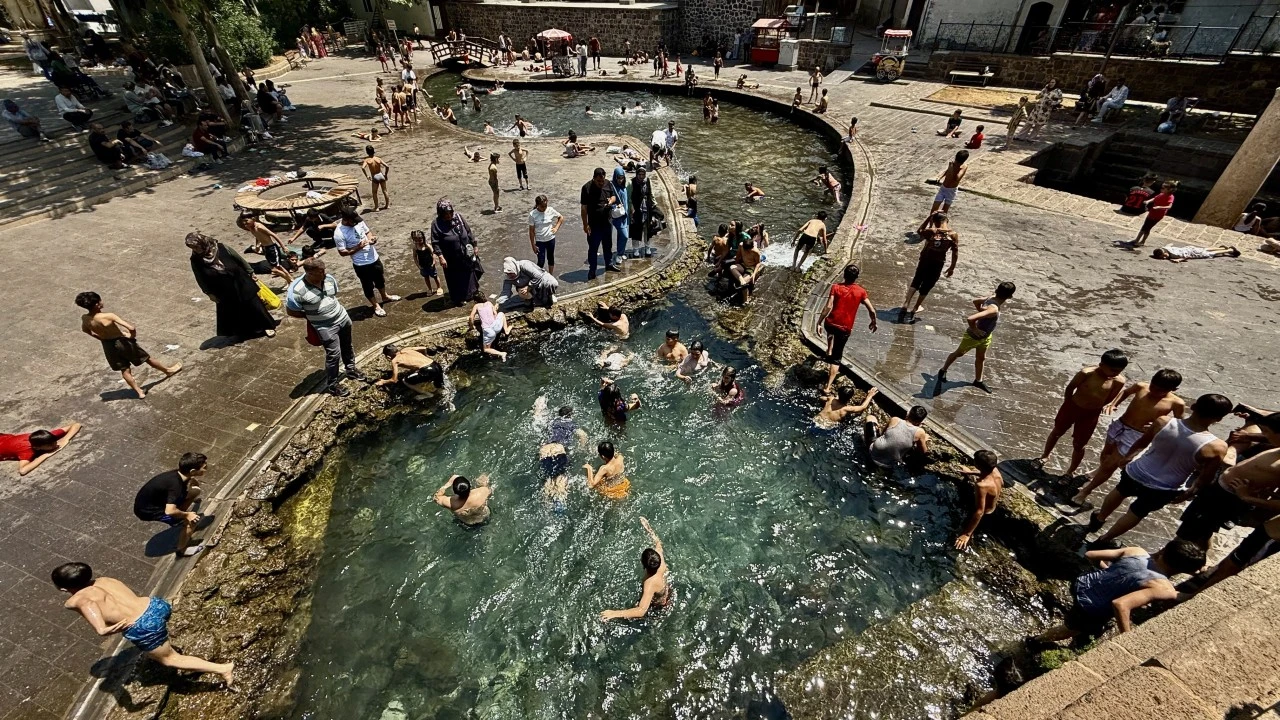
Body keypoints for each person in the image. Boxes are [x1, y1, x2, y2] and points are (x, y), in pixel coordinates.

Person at [1087, 393, 1234, 546]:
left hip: (1138, 471)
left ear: (1194, 406)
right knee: (1137, 512)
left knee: (1120, 491)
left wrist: (1128, 457)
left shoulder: (1163, 421)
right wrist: (1189, 492)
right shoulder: (1217, 447)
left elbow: (1141, 443)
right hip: (1165, 487)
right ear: (1219, 419)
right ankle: (1105, 539)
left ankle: (1100, 518)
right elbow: (1205, 478)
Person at [52, 563, 235, 686]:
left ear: (63, 588)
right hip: (156, 605)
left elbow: (88, 604)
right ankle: (159, 645)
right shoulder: (105, 580)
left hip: (143, 625)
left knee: (169, 659)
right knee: (156, 646)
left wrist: (102, 629)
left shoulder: (75, 600)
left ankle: (223, 669)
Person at [1030, 540, 1204, 641]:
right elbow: (1120, 605)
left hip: (1082, 583)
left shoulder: (1137, 551)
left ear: (1165, 550)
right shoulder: (1163, 587)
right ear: (1184, 570)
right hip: (1091, 608)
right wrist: (1127, 638)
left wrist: (1107, 570)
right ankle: (1037, 640)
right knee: (1072, 629)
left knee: (1084, 620)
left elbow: (1091, 555)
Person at [1071, 369, 1186, 507]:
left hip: (1136, 435)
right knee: (1106, 455)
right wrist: (1114, 404)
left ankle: (1085, 491)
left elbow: (1179, 424)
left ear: (1173, 389)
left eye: (1159, 390)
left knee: (1110, 465)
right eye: (1153, 386)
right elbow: (1125, 392)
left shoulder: (1176, 403)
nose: (1154, 391)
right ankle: (1098, 471)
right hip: (1120, 425)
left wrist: (1160, 424)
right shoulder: (1141, 386)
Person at [1175, 413, 1280, 553]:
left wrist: (1247, 497)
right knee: (1203, 528)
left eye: (1266, 431)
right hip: (1220, 487)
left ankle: (1167, 554)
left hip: (1228, 498)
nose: (1264, 436)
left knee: (1191, 529)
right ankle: (1201, 553)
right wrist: (1249, 436)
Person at [1038, 350, 1129, 479]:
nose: (1115, 374)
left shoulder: (1118, 381)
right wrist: (1068, 403)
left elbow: (1109, 398)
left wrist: (1096, 407)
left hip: (1091, 414)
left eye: (1119, 371)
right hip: (1072, 407)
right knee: (1057, 431)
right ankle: (1045, 455)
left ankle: (1071, 471)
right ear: (1101, 365)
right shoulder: (1086, 373)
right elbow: (1070, 388)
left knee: (1080, 444)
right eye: (1113, 370)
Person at [76, 292, 182, 399]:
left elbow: (86, 330)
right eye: (100, 300)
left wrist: (101, 338)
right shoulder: (109, 316)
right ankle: (168, 371)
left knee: (125, 369)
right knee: (147, 358)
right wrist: (131, 336)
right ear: (97, 304)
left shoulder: (85, 318)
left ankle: (139, 392)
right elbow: (131, 328)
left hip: (108, 345)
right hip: (122, 342)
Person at [286, 258, 364, 397]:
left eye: (324, 270)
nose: (324, 274)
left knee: (347, 345)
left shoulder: (329, 278)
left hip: (342, 318)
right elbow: (291, 311)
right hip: (325, 326)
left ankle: (351, 369)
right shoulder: (297, 290)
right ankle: (333, 385)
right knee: (333, 354)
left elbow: (332, 296)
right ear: (309, 273)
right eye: (320, 272)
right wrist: (312, 316)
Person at [186, 232, 278, 339]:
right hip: (222, 289)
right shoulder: (195, 260)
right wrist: (209, 293)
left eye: (196, 247)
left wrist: (251, 272)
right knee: (235, 310)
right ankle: (246, 330)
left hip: (241, 281)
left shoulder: (221, 247)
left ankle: (267, 326)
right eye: (192, 248)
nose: (195, 250)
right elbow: (199, 277)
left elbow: (239, 259)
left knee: (255, 304)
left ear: (202, 242)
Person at [934, 281, 1016, 396]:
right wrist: (975, 329)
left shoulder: (991, 298)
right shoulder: (993, 309)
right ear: (1010, 296)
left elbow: (975, 301)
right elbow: (970, 319)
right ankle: (943, 370)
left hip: (986, 337)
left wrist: (981, 311)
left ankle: (978, 381)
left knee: (981, 358)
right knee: (958, 353)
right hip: (972, 337)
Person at [133, 452, 209, 557]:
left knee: (195, 491)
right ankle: (182, 550)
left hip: (155, 501)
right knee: (193, 521)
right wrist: (187, 515)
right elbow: (169, 511)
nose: (206, 469)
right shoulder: (176, 486)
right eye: (204, 467)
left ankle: (178, 517)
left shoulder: (179, 474)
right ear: (192, 471)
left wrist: (193, 480)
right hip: (149, 511)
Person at [817, 263, 877, 395]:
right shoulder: (861, 292)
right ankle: (828, 387)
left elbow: (828, 306)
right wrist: (873, 322)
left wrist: (819, 322)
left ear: (844, 275)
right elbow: (872, 310)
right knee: (836, 358)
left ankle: (829, 348)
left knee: (831, 330)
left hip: (830, 323)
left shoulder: (836, 287)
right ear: (856, 277)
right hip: (844, 328)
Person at [600, 517, 671, 620]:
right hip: (666, 591)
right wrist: (648, 528)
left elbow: (641, 611)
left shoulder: (650, 583)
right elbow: (658, 543)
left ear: (644, 565)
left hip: (658, 605)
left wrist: (614, 613)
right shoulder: (660, 558)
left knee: (633, 615)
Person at [333, 210, 399, 317]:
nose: (356, 223)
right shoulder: (339, 233)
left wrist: (371, 238)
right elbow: (342, 252)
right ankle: (376, 305)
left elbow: (368, 232)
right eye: (353, 221)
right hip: (361, 264)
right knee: (367, 285)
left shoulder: (358, 222)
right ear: (347, 220)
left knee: (380, 280)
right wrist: (358, 247)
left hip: (374, 258)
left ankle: (385, 296)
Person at [899, 212, 959, 324]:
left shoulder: (931, 231)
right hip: (938, 263)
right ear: (947, 220)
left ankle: (906, 304)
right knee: (927, 285)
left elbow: (919, 231)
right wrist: (952, 267)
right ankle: (915, 308)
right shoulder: (953, 235)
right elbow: (955, 253)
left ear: (935, 222)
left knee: (917, 280)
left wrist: (928, 218)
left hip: (925, 260)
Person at [431, 199, 481, 307]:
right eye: (446, 214)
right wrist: (441, 256)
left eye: (450, 213)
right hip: (451, 257)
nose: (449, 216)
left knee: (468, 273)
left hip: (465, 252)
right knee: (455, 277)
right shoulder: (437, 224)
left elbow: (468, 231)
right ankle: (459, 298)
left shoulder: (458, 217)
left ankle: (471, 293)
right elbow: (435, 242)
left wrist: (474, 245)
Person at [955, 450, 1002, 550]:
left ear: (977, 465)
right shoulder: (996, 471)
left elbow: (979, 512)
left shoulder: (982, 485)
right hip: (993, 510)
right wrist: (970, 472)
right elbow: (986, 473)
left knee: (961, 535)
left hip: (984, 516)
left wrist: (966, 534)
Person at [581, 167, 621, 279]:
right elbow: (584, 208)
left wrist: (611, 201)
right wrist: (585, 224)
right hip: (594, 224)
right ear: (594, 178)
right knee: (593, 248)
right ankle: (592, 270)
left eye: (602, 181)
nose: (601, 183)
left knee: (608, 246)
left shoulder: (608, 184)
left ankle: (609, 264)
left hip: (607, 222)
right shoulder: (586, 188)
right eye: (599, 181)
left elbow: (614, 196)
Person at [1, 422, 81, 476]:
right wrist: (45, 455)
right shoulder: (27, 451)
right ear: (37, 448)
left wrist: (65, 439)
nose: (55, 445)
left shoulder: (44, 437)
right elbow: (23, 470)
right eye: (50, 445)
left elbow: (76, 425)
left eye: (54, 442)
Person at [237, 215, 292, 284]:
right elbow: (257, 236)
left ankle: (290, 280)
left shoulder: (259, 227)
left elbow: (273, 235)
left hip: (272, 248)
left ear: (253, 218)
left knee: (275, 269)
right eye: (243, 221)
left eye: (246, 221)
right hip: (265, 249)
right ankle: (290, 280)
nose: (245, 223)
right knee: (278, 267)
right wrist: (257, 245)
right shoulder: (250, 227)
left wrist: (283, 247)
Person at [373, 344, 446, 394]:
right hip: (436, 365)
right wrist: (424, 356)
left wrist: (383, 382)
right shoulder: (406, 349)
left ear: (388, 356)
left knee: (405, 381)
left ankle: (427, 394)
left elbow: (394, 380)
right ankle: (440, 393)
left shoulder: (395, 360)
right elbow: (424, 348)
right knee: (439, 388)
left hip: (427, 370)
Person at [1126, 180, 1177, 248]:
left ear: (1169, 190)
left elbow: (1169, 206)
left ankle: (1142, 241)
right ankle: (1137, 240)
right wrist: (1148, 201)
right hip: (1152, 212)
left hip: (1158, 215)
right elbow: (1154, 198)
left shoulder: (1170, 197)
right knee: (1145, 226)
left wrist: (1159, 207)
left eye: (1163, 188)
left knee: (1147, 228)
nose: (1161, 189)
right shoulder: (1161, 194)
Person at [923, 150, 969, 221]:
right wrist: (939, 177)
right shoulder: (953, 163)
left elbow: (956, 179)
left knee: (944, 211)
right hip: (943, 188)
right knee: (934, 207)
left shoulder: (964, 167)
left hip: (951, 191)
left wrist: (953, 168)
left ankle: (941, 224)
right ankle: (930, 223)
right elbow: (947, 171)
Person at [527, 194, 564, 275]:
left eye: (545, 206)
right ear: (537, 205)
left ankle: (550, 275)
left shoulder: (550, 210)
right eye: (542, 207)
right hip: (540, 241)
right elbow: (531, 231)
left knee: (551, 258)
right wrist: (533, 245)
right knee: (541, 261)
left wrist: (556, 228)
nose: (544, 208)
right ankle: (538, 276)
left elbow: (561, 217)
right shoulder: (533, 214)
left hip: (550, 239)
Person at [468, 295, 510, 360]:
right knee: (501, 313)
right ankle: (506, 330)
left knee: (486, 349)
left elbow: (471, 317)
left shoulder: (476, 306)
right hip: (496, 327)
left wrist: (471, 326)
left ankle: (501, 353)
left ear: (475, 301)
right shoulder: (489, 303)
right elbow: (495, 314)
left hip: (488, 331)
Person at [407, 230, 442, 296]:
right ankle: (430, 289)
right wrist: (418, 265)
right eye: (416, 241)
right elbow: (415, 257)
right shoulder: (415, 248)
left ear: (423, 238)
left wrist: (434, 262)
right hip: (422, 266)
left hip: (430, 264)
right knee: (426, 277)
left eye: (420, 240)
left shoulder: (427, 246)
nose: (418, 242)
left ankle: (439, 287)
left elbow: (433, 253)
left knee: (435, 276)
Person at [360, 145, 391, 211]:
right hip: (381, 175)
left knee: (374, 192)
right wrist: (385, 175)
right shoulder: (378, 159)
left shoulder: (367, 160)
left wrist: (367, 176)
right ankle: (387, 205)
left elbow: (363, 168)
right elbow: (387, 166)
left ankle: (376, 207)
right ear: (373, 151)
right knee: (385, 191)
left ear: (367, 152)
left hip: (375, 176)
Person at [1150, 245, 1240, 262]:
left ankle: (1229, 250)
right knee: (1205, 249)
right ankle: (1221, 247)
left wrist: (1179, 260)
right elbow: (1169, 245)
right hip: (1190, 248)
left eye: (1163, 256)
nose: (1164, 258)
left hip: (1192, 253)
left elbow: (1187, 256)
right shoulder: (1166, 248)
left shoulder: (1175, 255)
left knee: (1210, 254)